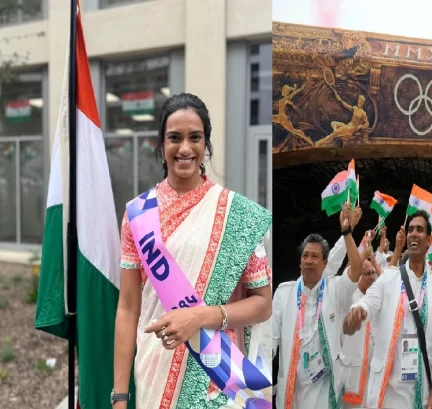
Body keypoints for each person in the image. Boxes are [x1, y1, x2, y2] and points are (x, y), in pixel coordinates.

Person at [113, 93, 273, 409]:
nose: (185, 148)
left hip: (217, 379)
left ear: (206, 145)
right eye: (175, 138)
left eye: (195, 138)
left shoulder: (236, 214)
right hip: (154, 374)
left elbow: (263, 304)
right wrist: (120, 396)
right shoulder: (137, 215)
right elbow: (128, 308)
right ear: (161, 146)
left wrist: (201, 316)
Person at [343, 210, 432, 409]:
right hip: (387, 395)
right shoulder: (389, 278)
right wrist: (356, 313)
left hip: (423, 394)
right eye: (410, 230)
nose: (413, 234)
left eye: (419, 230)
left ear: (428, 240)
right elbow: (367, 303)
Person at [272, 205, 363, 409]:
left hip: (325, 386)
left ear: (324, 264)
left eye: (314, 257)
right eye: (305, 256)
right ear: (299, 263)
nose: (308, 261)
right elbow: (271, 339)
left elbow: (356, 269)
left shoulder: (335, 289)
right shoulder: (284, 293)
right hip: (293, 387)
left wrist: (347, 232)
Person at [341, 258, 378, 409]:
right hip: (351, 374)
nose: (372, 277)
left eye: (373, 273)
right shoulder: (347, 298)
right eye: (367, 273)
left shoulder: (374, 299)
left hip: (371, 373)